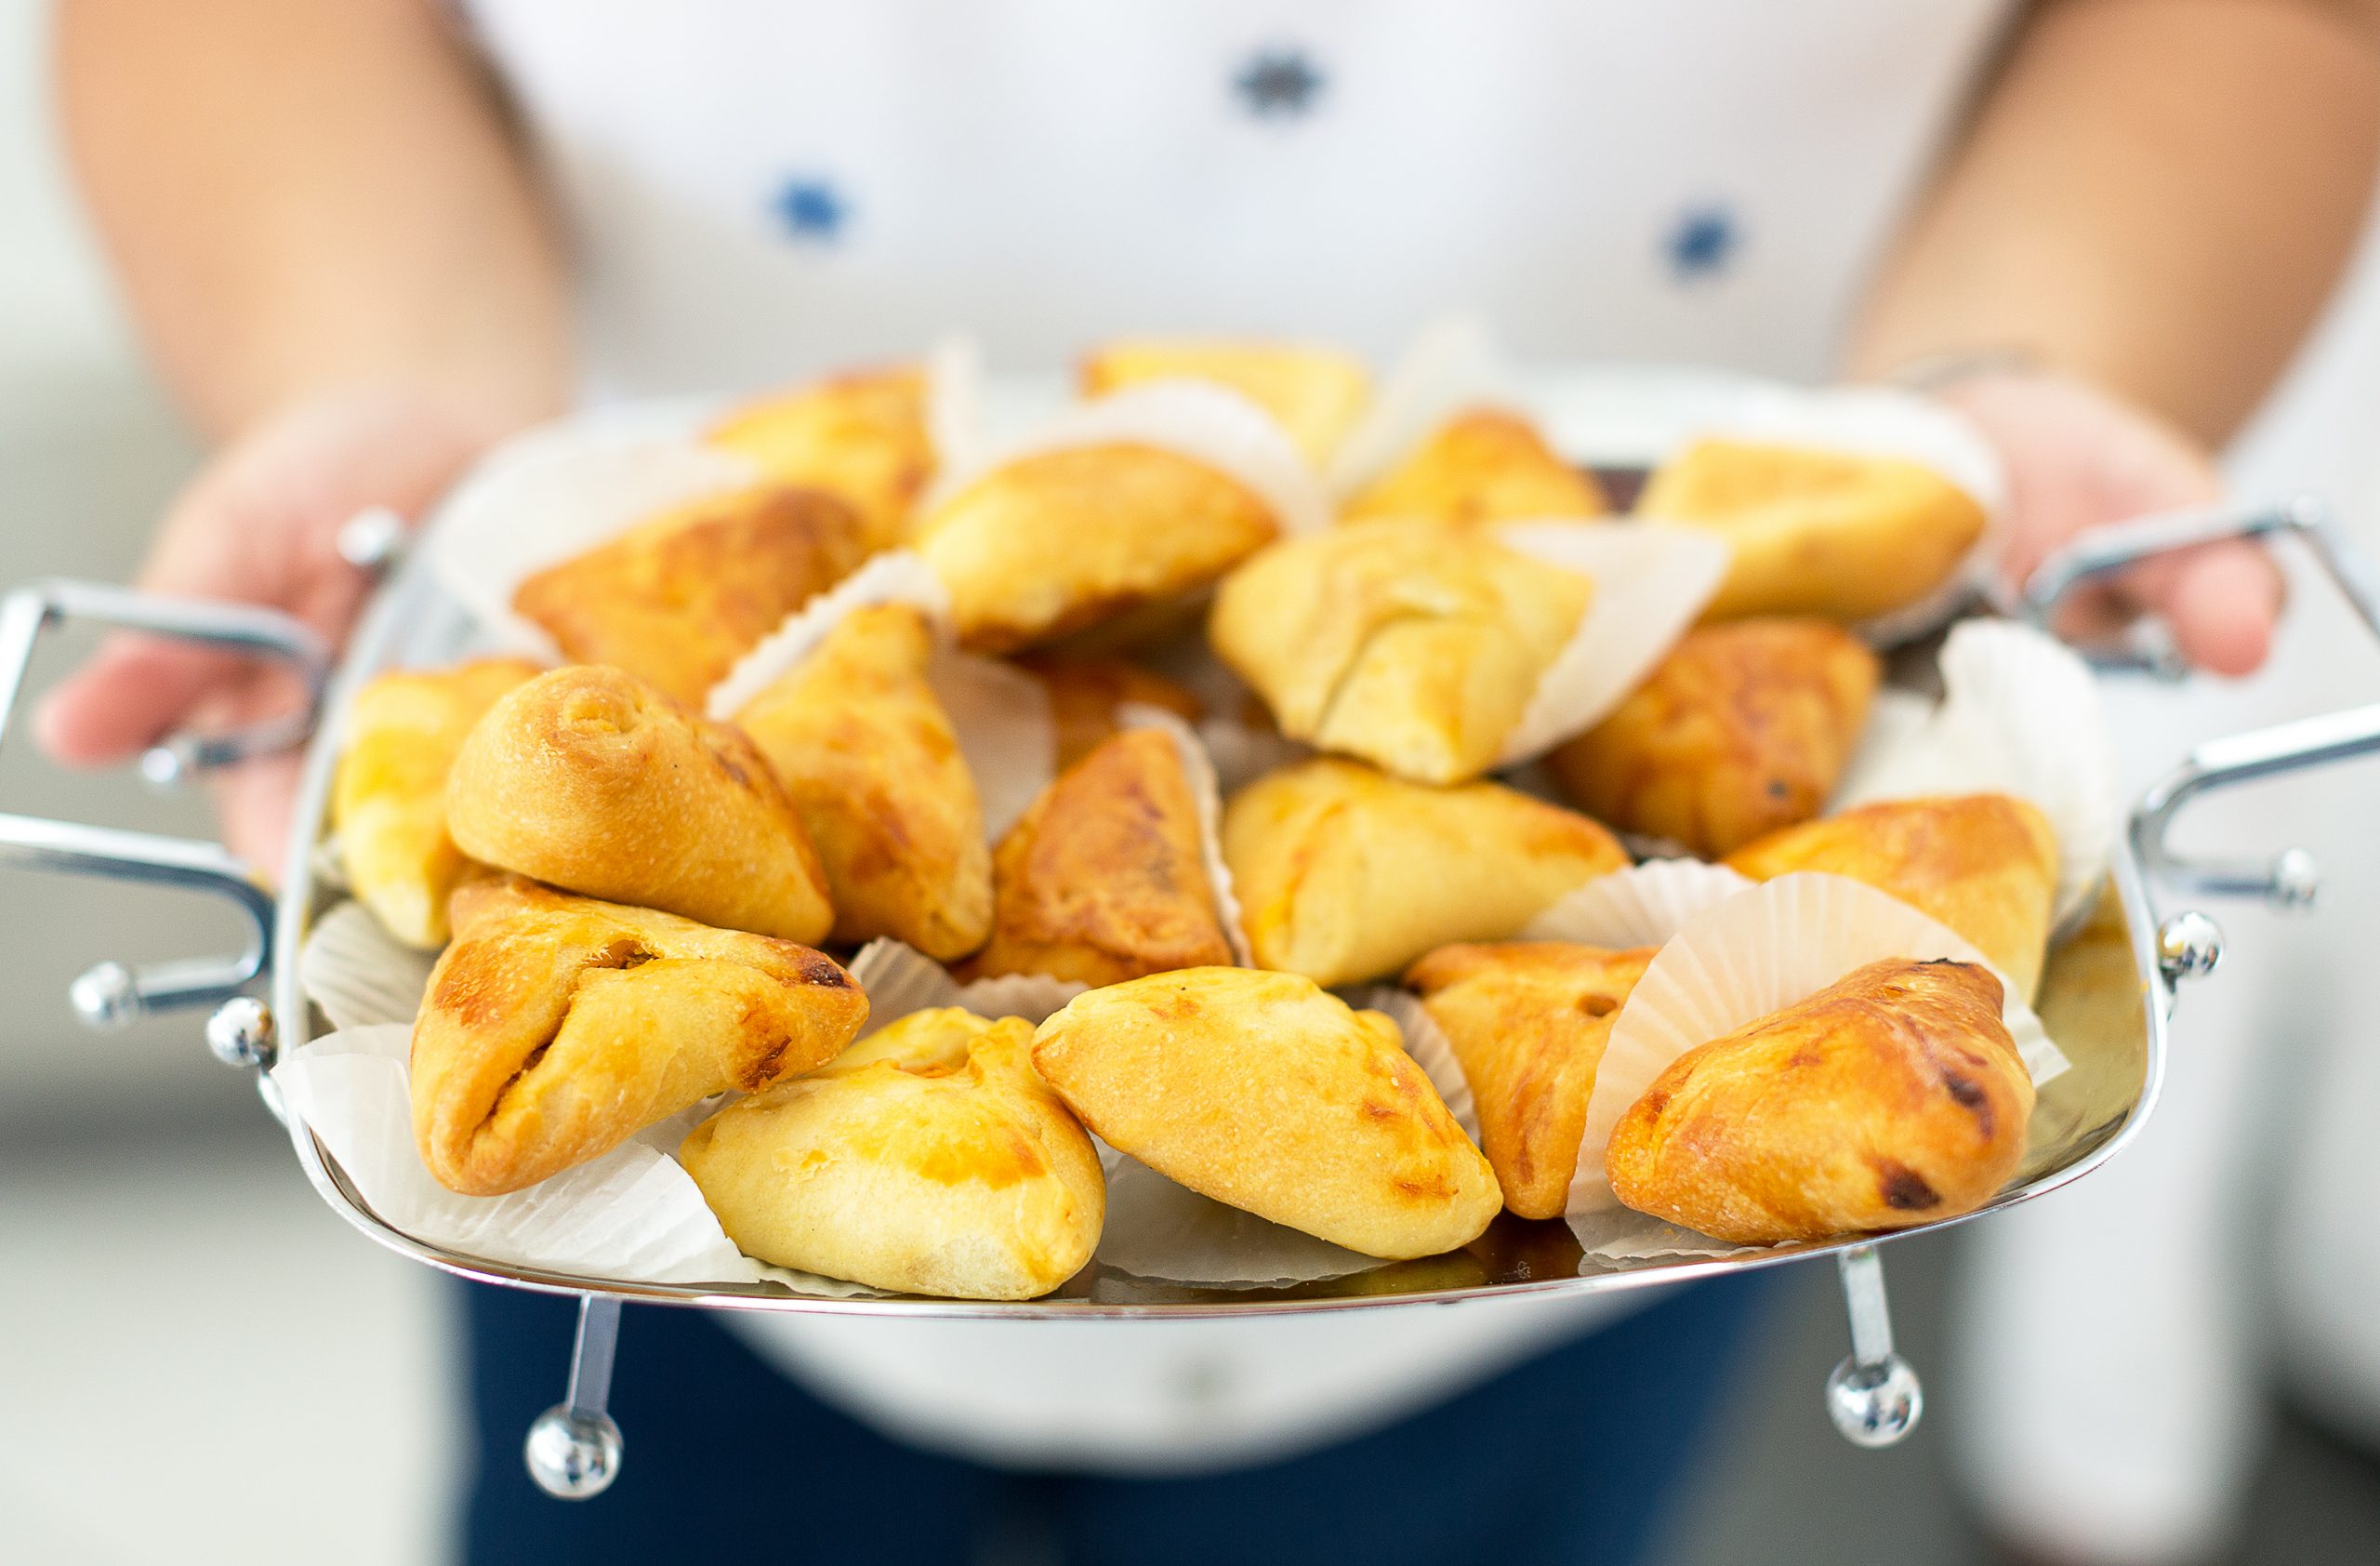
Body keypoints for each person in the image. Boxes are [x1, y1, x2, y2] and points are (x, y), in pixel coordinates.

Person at [39, 3, 2380, 1563]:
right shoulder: (686, 874)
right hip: (642, 1153)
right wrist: (391, 416)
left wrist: (2001, 395)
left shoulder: (1622, 973)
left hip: (1609, 1031)